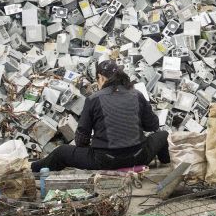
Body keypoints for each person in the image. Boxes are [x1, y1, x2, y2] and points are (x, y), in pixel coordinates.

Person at [31, 60, 170, 172]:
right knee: (163, 135)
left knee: (61, 152)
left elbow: (81, 140)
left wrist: (94, 144)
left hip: (105, 160)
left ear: (101, 78)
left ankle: (33, 168)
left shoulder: (93, 99)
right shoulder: (136, 94)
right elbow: (153, 125)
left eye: (98, 79)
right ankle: (166, 167)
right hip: (139, 156)